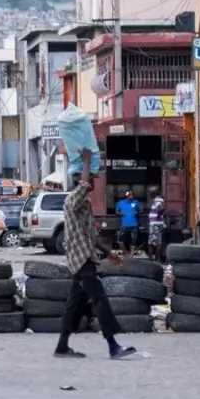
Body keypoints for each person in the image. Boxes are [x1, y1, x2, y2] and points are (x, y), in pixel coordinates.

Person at [56, 151, 136, 360]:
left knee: (74, 304)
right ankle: (113, 346)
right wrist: (84, 161)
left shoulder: (86, 205)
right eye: (90, 178)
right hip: (80, 260)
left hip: (85, 258)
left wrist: (109, 253)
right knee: (99, 299)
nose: (92, 182)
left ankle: (62, 346)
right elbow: (82, 186)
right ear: (77, 178)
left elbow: (92, 235)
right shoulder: (72, 200)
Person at [116, 190, 141, 255]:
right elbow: (117, 212)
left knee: (133, 240)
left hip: (134, 224)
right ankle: (125, 253)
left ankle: (131, 255)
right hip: (125, 225)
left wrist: (137, 213)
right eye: (130, 194)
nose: (132, 196)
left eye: (132, 194)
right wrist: (120, 213)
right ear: (127, 195)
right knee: (120, 240)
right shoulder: (121, 203)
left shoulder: (136, 202)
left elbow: (140, 211)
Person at [147, 189, 166, 263]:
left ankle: (156, 259)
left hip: (155, 224)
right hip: (156, 224)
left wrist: (158, 215)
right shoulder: (158, 200)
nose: (149, 195)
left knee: (154, 242)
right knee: (153, 242)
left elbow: (162, 208)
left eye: (150, 193)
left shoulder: (157, 200)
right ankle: (153, 258)